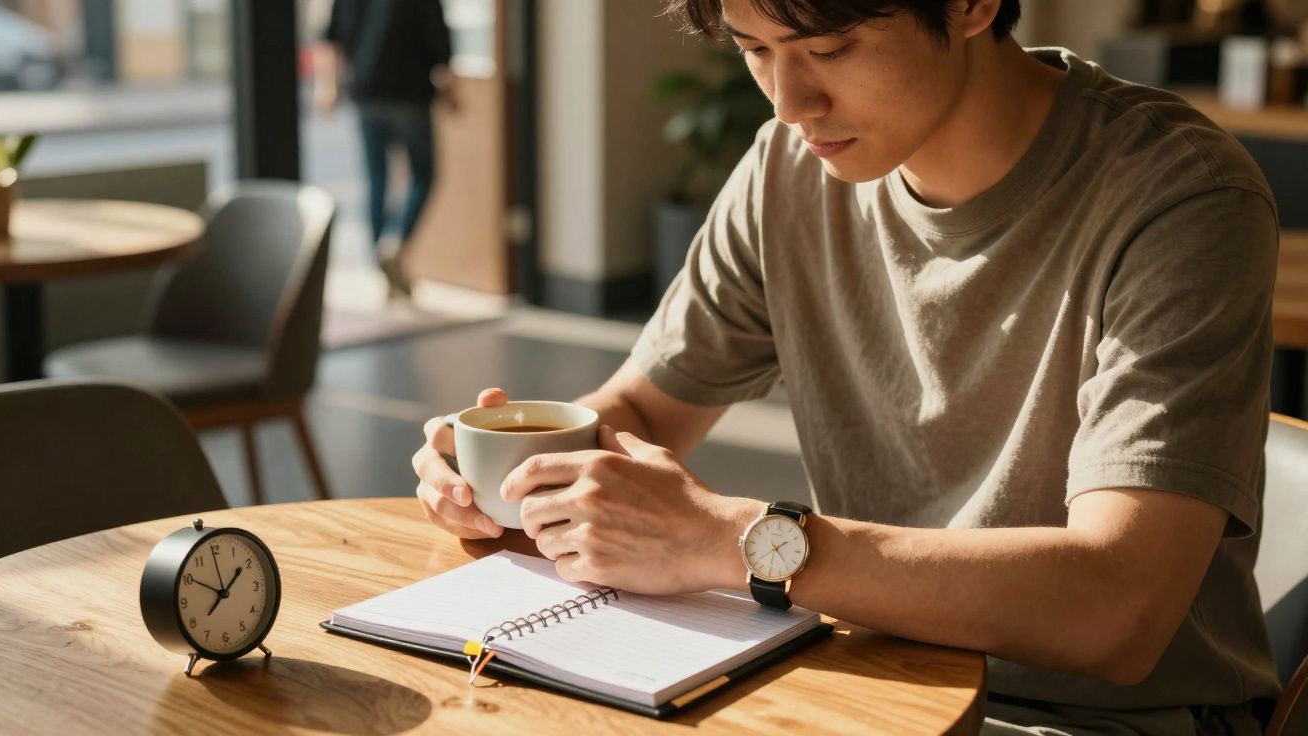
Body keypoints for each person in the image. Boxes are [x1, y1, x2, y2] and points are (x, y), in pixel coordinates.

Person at [411, 1, 1281, 732]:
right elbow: (641, 408)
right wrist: (510, 467)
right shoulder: (788, 172)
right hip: (870, 685)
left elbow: (1116, 611)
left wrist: (735, 542)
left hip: (1102, 722)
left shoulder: (1180, 196)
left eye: (830, 48)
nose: (790, 102)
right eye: (756, 50)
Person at [316, 0, 458, 298]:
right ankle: (395, 243)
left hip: (367, 91)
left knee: (376, 181)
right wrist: (450, 89)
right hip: (410, 95)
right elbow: (438, 37)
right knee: (424, 174)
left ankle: (382, 255)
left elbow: (333, 37)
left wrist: (329, 85)